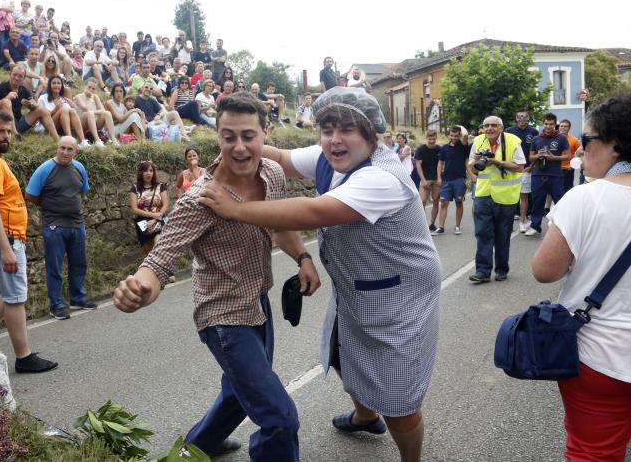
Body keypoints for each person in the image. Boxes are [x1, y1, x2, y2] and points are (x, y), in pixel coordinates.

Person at [197, 88, 440, 462]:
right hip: (357, 284)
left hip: (398, 295)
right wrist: (238, 143)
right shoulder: (332, 155)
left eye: (347, 129)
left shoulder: (382, 177)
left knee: (398, 396)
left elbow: (312, 212)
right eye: (327, 129)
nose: (334, 139)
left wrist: (235, 207)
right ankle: (365, 415)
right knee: (343, 350)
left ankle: (412, 458)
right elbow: (276, 155)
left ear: (372, 134)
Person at [115, 93, 321, 460]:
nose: (239, 147)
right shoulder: (200, 199)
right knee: (279, 417)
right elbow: (161, 259)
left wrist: (303, 256)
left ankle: (194, 449)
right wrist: (140, 289)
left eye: (248, 136)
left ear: (264, 133)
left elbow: (279, 223)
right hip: (224, 317)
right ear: (217, 136)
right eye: (229, 137)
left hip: (258, 303)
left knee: (240, 392)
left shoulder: (272, 174)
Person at [530, 92, 631, 462]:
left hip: (599, 355)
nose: (580, 150)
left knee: (594, 452)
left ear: (615, 145)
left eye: (586, 141)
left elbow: (544, 271)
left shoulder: (583, 199)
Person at [0, 111, 58, 373]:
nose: (6, 136)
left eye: (9, 131)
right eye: (0, 131)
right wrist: (6, 249)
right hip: (0, 240)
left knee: (7, 293)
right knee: (15, 297)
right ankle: (24, 357)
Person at [26, 137, 97, 321]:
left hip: (76, 223)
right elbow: (30, 194)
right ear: (57, 148)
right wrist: (49, 205)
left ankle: (77, 298)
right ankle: (56, 306)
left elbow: (83, 190)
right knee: (54, 267)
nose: (64, 152)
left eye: (69, 149)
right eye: (62, 148)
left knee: (79, 263)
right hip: (54, 225)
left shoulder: (79, 168)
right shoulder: (45, 169)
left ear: (75, 152)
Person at [466, 116, 525, 283]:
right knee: (483, 234)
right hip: (483, 194)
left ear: (501, 127)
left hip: (506, 196)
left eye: (493, 125)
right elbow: (471, 164)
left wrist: (498, 162)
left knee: (502, 235)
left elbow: (520, 167)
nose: (489, 128)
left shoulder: (513, 140)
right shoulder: (478, 140)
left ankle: (501, 269)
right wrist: (477, 159)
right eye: (486, 126)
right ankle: (483, 272)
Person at [525, 112, 570, 237]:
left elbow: (568, 156)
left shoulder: (561, 138)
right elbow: (530, 157)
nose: (548, 126)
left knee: (559, 202)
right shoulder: (536, 139)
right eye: (546, 124)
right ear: (543, 124)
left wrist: (552, 157)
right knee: (537, 201)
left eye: (551, 124)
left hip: (555, 175)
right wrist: (538, 155)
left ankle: (562, 226)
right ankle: (535, 226)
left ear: (555, 124)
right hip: (538, 175)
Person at [0, 64, 59, 140]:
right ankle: (14, 135)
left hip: (18, 123)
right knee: (6, 102)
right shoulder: (0, 88)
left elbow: (35, 105)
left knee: (42, 110)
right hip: (2, 123)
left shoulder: (23, 89)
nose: (17, 78)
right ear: (10, 74)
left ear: (23, 78)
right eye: (14, 75)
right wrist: (6, 99)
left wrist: (30, 104)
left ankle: (57, 139)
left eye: (20, 76)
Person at [505, 109, 539, 232]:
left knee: (524, 195)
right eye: (519, 116)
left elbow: (537, 150)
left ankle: (522, 221)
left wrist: (532, 165)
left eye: (524, 116)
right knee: (510, 195)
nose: (522, 119)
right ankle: (507, 221)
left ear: (528, 118)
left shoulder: (534, 132)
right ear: (516, 118)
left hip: (527, 169)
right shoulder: (509, 131)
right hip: (512, 168)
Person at [433, 126, 470, 235]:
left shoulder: (464, 146)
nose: (453, 137)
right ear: (449, 135)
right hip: (446, 180)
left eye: (456, 135)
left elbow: (466, 136)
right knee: (444, 203)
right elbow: (440, 163)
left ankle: (457, 226)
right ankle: (441, 227)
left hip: (459, 179)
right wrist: (439, 177)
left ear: (459, 135)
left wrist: (460, 128)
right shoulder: (444, 148)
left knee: (459, 202)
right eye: (452, 135)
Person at [37, 76, 91, 148]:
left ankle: (83, 141)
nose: (56, 85)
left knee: (71, 110)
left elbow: (72, 115)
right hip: (47, 126)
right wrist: (56, 109)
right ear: (49, 85)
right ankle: (70, 139)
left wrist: (73, 106)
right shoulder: (43, 98)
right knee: (64, 109)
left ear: (61, 85)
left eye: (59, 83)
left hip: (61, 127)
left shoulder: (64, 99)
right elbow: (42, 118)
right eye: (54, 83)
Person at [129, 161, 170, 253]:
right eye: (145, 171)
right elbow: (134, 209)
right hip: (142, 222)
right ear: (141, 173)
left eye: (151, 170)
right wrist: (152, 214)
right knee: (150, 254)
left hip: (159, 218)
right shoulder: (134, 189)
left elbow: (166, 205)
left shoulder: (160, 187)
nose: (149, 173)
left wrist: (156, 218)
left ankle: (164, 266)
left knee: (159, 246)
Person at [73, 78, 118, 145]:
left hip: (94, 122)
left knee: (107, 113)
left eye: (93, 89)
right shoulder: (78, 96)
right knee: (89, 113)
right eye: (89, 87)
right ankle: (97, 140)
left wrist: (94, 112)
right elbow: (86, 108)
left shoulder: (95, 97)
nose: (91, 90)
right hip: (82, 123)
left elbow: (103, 110)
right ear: (84, 86)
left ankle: (113, 140)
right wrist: (90, 100)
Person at [415, 130, 441, 232]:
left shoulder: (439, 149)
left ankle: (432, 223)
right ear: (427, 138)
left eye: (433, 139)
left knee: (436, 201)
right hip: (425, 179)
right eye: (429, 139)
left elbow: (441, 163)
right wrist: (423, 180)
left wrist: (440, 178)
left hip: (436, 179)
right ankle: (421, 224)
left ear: (436, 138)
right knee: (422, 202)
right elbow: (418, 165)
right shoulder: (421, 149)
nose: (431, 141)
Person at [558, 119, 581, 193]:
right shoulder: (554, 139)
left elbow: (580, 153)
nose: (563, 128)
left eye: (565, 126)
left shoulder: (574, 140)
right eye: (561, 126)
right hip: (555, 168)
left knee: (567, 190)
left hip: (567, 169)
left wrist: (573, 165)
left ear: (569, 128)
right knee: (554, 191)